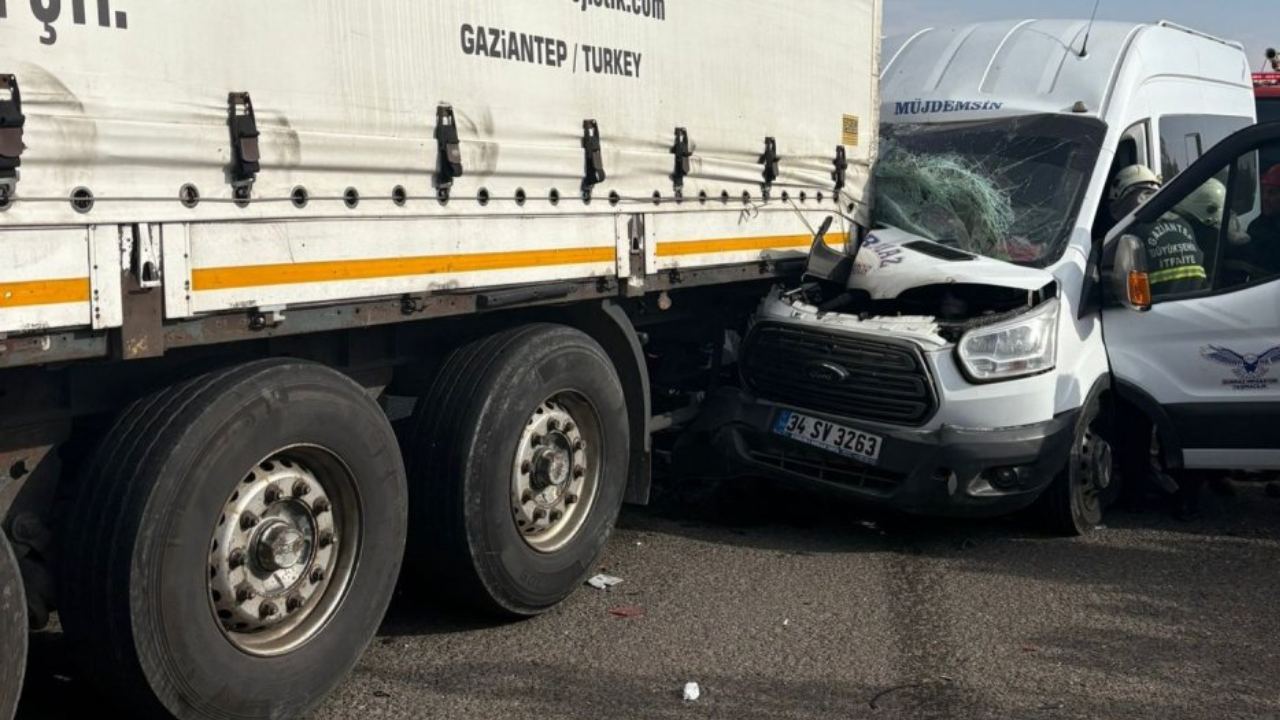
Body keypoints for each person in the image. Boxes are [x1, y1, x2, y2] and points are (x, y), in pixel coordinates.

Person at [1109, 165, 1208, 296]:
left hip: (1158, 306)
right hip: (1199, 301)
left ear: (1124, 199)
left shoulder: (1130, 234)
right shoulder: (1185, 224)